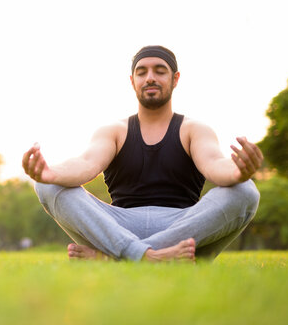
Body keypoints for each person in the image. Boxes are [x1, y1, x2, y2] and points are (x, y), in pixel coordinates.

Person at [22, 45, 263, 262]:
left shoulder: (194, 129)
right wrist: (50, 173)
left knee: (245, 190)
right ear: (132, 80)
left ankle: (116, 259)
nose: (150, 78)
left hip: (182, 226)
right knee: (46, 186)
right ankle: (155, 258)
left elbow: (214, 164)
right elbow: (86, 163)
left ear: (175, 79)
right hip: (118, 227)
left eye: (160, 71)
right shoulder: (114, 130)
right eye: (142, 72)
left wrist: (237, 172)